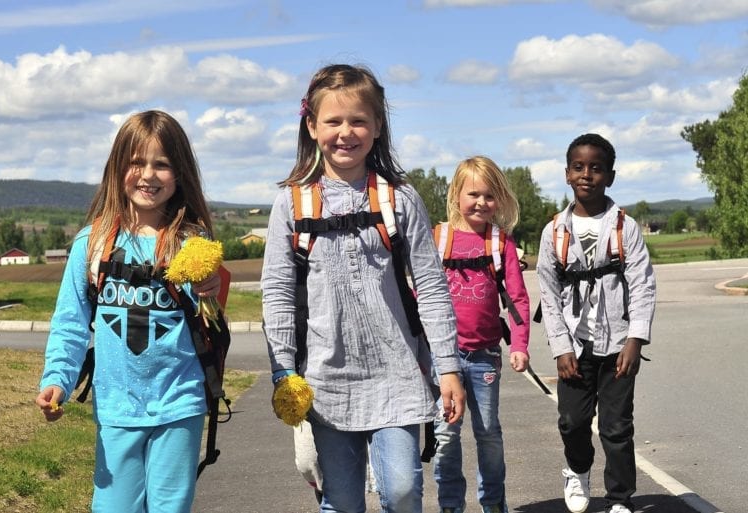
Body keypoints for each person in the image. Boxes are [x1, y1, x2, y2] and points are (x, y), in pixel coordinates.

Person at [261, 63, 465, 513]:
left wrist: (447, 367)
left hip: (397, 373)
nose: (345, 132)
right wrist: (282, 373)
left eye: (358, 120)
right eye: (333, 121)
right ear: (312, 126)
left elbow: (431, 287)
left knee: (403, 491)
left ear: (377, 127)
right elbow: (277, 291)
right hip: (325, 378)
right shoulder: (291, 204)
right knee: (344, 501)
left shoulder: (400, 198)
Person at [35, 110, 222, 513]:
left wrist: (212, 289)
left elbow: (210, 316)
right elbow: (70, 323)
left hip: (179, 402)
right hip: (117, 405)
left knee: (169, 508)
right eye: (136, 162)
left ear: (180, 172)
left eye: (162, 164)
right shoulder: (92, 243)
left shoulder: (194, 241)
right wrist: (57, 380)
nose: (148, 175)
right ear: (117, 167)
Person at [536, 133, 656, 513]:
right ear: (567, 174)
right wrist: (560, 347)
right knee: (572, 422)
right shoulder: (554, 231)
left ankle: (620, 498)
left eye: (596, 168)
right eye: (578, 167)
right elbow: (549, 294)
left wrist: (636, 339)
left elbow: (642, 284)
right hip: (575, 345)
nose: (587, 174)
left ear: (611, 176)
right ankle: (577, 469)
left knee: (617, 428)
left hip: (618, 344)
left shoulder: (626, 227)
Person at [432, 156, 531, 513]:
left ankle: (493, 505)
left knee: (488, 433)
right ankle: (450, 506)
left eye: (489, 196)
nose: (481, 202)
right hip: (442, 360)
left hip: (483, 356)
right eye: (473, 194)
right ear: (456, 194)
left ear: (499, 199)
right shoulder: (438, 239)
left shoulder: (499, 242)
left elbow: (518, 299)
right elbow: (417, 295)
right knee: (445, 436)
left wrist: (519, 345)